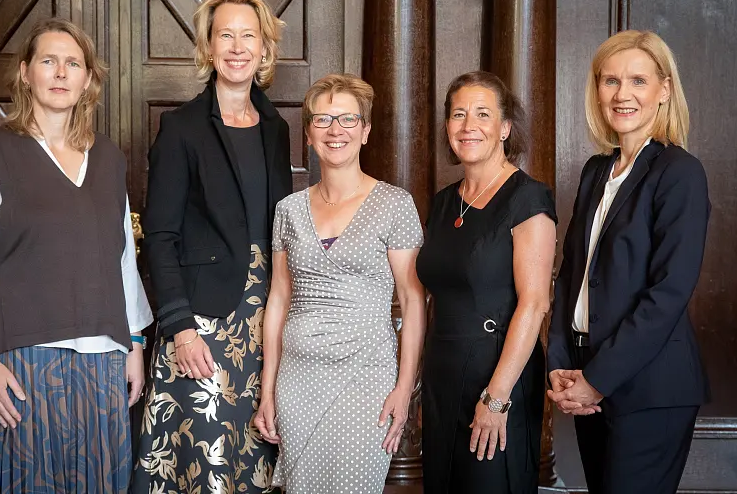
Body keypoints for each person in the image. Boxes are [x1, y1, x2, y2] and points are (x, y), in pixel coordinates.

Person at [0, 18, 153, 492]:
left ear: (87, 79)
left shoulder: (108, 157)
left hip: (103, 360)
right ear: (25, 73)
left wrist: (135, 345)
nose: (61, 73)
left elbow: (121, 259)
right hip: (23, 358)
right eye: (48, 61)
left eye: (73, 64)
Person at [132, 0, 291, 493]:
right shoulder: (180, 128)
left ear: (265, 49)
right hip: (200, 323)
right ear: (207, 47)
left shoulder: (277, 128)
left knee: (256, 454)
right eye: (226, 35)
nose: (238, 47)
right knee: (202, 457)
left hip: (266, 317)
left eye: (249, 36)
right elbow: (161, 235)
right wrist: (180, 328)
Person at [547, 30, 710, 494]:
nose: (623, 94)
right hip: (586, 375)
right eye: (611, 81)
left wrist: (598, 379)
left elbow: (669, 293)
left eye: (638, 81)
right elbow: (571, 275)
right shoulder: (596, 171)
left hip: (650, 388)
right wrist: (560, 361)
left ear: (664, 90)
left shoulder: (680, 172)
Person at [255, 74, 427, 493]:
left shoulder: (395, 204)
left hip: (366, 378)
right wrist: (268, 388)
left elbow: (412, 300)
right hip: (297, 380)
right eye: (323, 119)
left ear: (365, 131)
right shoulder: (288, 209)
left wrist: (405, 388)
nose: (336, 130)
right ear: (308, 134)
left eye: (348, 119)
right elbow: (278, 299)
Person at [416, 71, 557, 493]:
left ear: (505, 128)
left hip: (497, 376)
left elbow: (535, 304)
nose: (468, 125)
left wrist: (496, 398)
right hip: (442, 375)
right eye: (458, 114)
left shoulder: (527, 197)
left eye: (482, 114)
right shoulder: (444, 202)